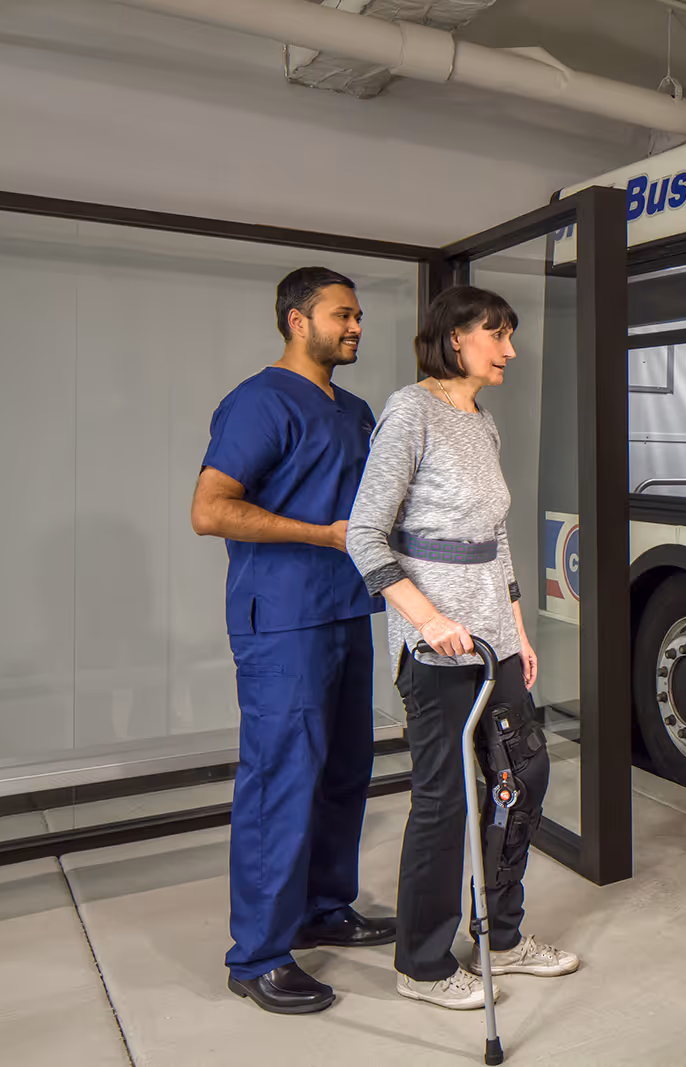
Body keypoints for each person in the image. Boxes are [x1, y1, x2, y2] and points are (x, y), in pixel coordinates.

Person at [347, 285, 578, 1011]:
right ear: (456, 339)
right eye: (497, 334)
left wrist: (518, 626)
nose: (510, 349)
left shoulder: (483, 421)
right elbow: (364, 534)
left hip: (495, 639)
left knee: (522, 781)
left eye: (510, 335)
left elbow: (497, 537)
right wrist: (426, 617)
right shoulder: (409, 412)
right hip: (436, 644)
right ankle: (419, 962)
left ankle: (500, 939)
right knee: (447, 802)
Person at [190, 267, 397, 1015]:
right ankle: (259, 955)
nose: (356, 328)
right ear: (295, 319)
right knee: (280, 780)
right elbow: (210, 510)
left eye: (359, 316)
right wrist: (321, 535)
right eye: (342, 315)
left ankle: (323, 905)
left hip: (347, 612)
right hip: (282, 620)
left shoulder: (357, 409)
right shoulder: (260, 402)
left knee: (345, 769)